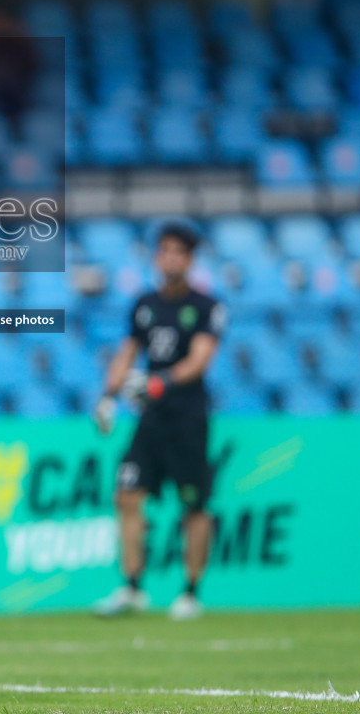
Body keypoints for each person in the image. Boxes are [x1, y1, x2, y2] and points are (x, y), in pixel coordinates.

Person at [92, 222, 225, 620]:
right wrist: (107, 397)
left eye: (179, 252)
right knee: (127, 496)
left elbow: (199, 361)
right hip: (151, 420)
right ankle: (132, 588)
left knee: (194, 506)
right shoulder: (144, 304)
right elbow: (127, 352)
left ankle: (190, 592)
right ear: (157, 256)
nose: (171, 258)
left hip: (187, 419)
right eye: (165, 250)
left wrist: (157, 383)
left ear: (190, 260)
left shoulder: (206, 307)